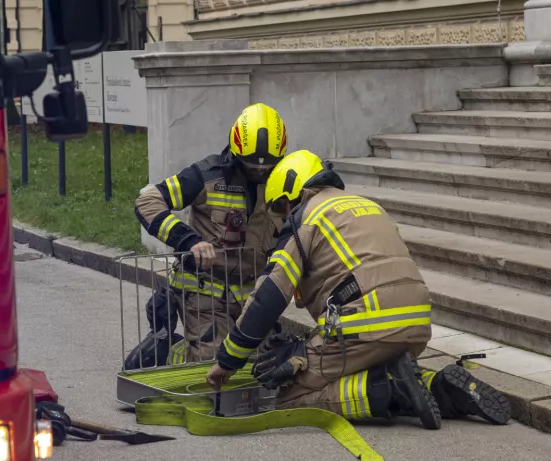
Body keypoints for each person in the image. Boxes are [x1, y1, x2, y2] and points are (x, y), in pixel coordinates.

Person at [204, 150, 511, 428]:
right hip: (417, 324)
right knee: (364, 366)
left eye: (282, 208)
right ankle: (439, 387)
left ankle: (392, 390)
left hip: (362, 327)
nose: (283, 216)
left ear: (291, 194)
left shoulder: (303, 218)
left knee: (289, 395)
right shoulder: (368, 206)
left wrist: (228, 360)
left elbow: (269, 295)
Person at [128, 103, 289, 369]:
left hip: (251, 296)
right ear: (236, 152)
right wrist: (188, 241)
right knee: (210, 363)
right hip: (204, 293)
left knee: (264, 363)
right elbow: (147, 202)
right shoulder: (206, 175)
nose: (260, 173)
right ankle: (170, 353)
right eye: (251, 167)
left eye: (267, 168)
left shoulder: (283, 183)